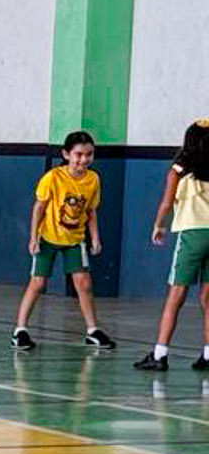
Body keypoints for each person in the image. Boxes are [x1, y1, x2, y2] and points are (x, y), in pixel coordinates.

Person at [13, 131, 113, 350]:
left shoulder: (93, 179)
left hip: (75, 240)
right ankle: (20, 330)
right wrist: (33, 238)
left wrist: (95, 237)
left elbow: (91, 211)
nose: (83, 160)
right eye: (78, 154)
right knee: (38, 283)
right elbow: (39, 208)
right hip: (48, 237)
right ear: (66, 154)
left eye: (89, 155)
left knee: (83, 283)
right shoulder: (53, 178)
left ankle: (92, 330)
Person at [134, 120, 209, 372]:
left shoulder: (178, 171)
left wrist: (158, 225)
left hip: (192, 234)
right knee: (207, 298)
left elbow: (167, 204)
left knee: (175, 294)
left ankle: (160, 354)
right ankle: (208, 354)